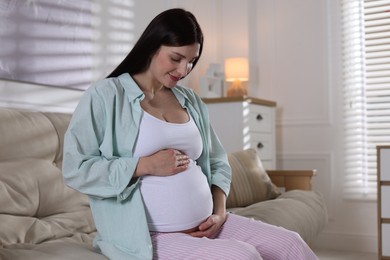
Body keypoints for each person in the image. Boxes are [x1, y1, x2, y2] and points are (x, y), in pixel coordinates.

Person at [62, 8, 318, 260]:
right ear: (152, 47)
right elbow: (76, 168)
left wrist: (219, 213)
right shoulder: (106, 95)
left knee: (290, 244)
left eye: (191, 61)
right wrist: (143, 165)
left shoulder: (190, 100)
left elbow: (218, 162)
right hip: (148, 237)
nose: (184, 70)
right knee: (241, 256)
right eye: (176, 58)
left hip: (212, 224)